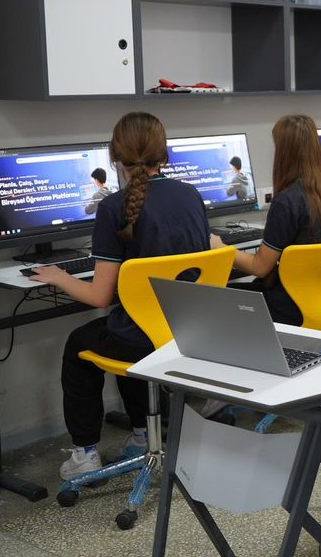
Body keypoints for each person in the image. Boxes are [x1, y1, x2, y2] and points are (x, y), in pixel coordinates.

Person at [27, 112, 210, 479]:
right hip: (190, 329)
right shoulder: (191, 195)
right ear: (165, 154)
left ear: (114, 157)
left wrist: (60, 277)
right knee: (121, 326)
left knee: (82, 343)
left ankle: (85, 453)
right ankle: (142, 434)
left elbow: (99, 296)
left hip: (143, 336)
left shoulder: (114, 208)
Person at [209, 114, 321, 325]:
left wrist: (220, 248)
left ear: (283, 152)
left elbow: (259, 267)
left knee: (217, 294)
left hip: (292, 305)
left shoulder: (286, 202)